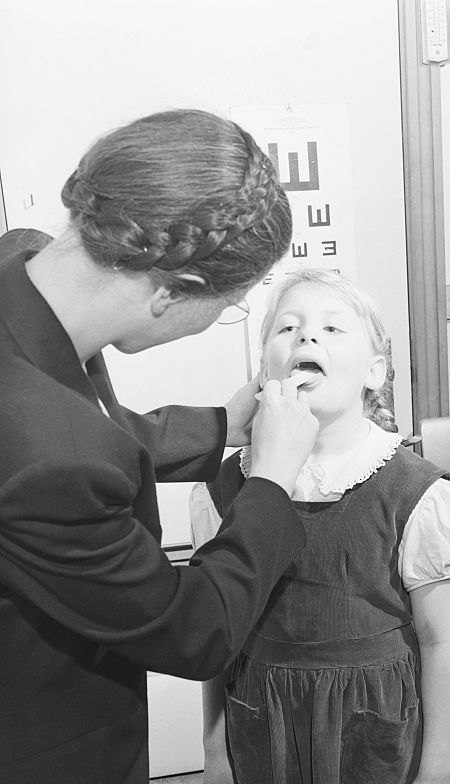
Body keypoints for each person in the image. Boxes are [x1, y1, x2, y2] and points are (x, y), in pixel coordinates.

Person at [0, 109, 320, 783]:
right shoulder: (52, 458)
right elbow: (191, 630)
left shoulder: (21, 267)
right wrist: (272, 481)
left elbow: (84, 419)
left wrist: (218, 428)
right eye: (230, 306)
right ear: (176, 290)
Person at [192, 269, 450, 784]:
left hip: (378, 732)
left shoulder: (412, 493)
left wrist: (436, 769)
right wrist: (214, 751)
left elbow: (441, 641)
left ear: (374, 372)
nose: (307, 336)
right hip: (263, 722)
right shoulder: (228, 488)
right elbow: (218, 631)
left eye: (332, 329)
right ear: (265, 371)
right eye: (288, 328)